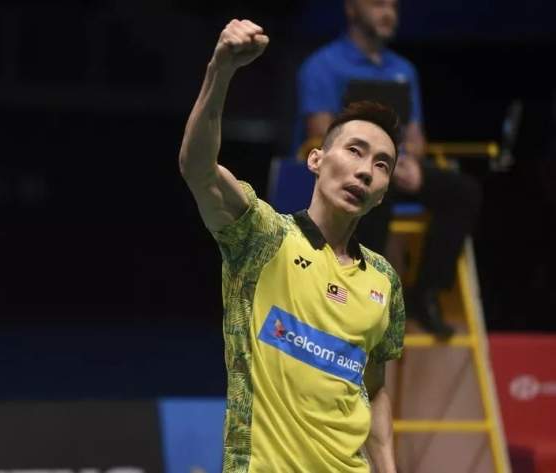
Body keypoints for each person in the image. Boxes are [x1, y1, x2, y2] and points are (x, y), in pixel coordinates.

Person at [179, 19, 404, 473]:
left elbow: (374, 387)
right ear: (316, 159)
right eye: (355, 151)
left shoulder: (384, 280)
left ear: (382, 192)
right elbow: (198, 168)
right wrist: (220, 70)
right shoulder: (263, 236)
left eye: (382, 165)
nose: (366, 171)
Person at [294, 0, 481, 338]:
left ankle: (426, 294)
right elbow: (322, 135)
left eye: (394, 6)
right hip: (350, 174)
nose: (389, 13)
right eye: (378, 4)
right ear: (352, 9)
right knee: (376, 186)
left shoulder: (404, 70)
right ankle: (363, 292)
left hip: (397, 168)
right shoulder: (322, 66)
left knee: (463, 190)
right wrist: (381, 168)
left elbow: (416, 137)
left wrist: (412, 165)